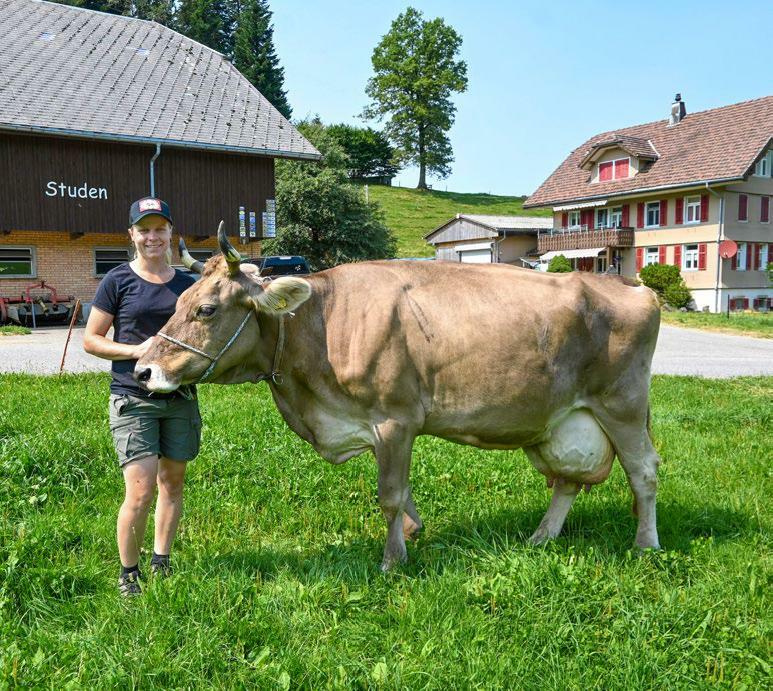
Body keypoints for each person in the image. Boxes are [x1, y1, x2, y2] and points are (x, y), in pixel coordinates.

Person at [84, 197, 200, 596]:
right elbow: (92, 340)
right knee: (141, 489)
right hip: (133, 398)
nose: (153, 236)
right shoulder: (117, 281)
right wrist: (136, 351)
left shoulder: (187, 285)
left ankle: (161, 560)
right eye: (144, 229)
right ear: (132, 235)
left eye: (160, 228)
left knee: (173, 482)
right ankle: (128, 574)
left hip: (180, 398)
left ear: (171, 233)